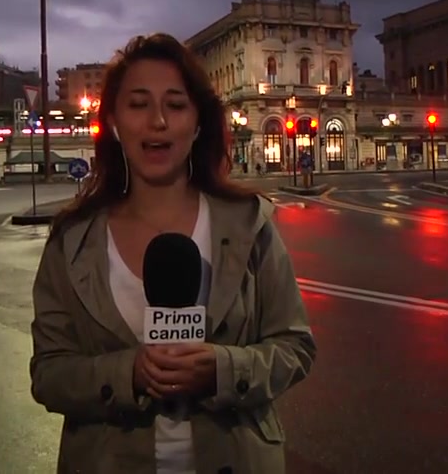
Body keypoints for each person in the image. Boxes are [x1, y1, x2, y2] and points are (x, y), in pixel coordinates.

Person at [29, 33, 316, 473]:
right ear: (115, 122)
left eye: (176, 105)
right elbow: (49, 374)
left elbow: (295, 347)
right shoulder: (73, 240)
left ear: (198, 123)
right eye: (139, 104)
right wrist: (129, 375)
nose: (157, 121)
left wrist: (222, 369)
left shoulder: (248, 223)